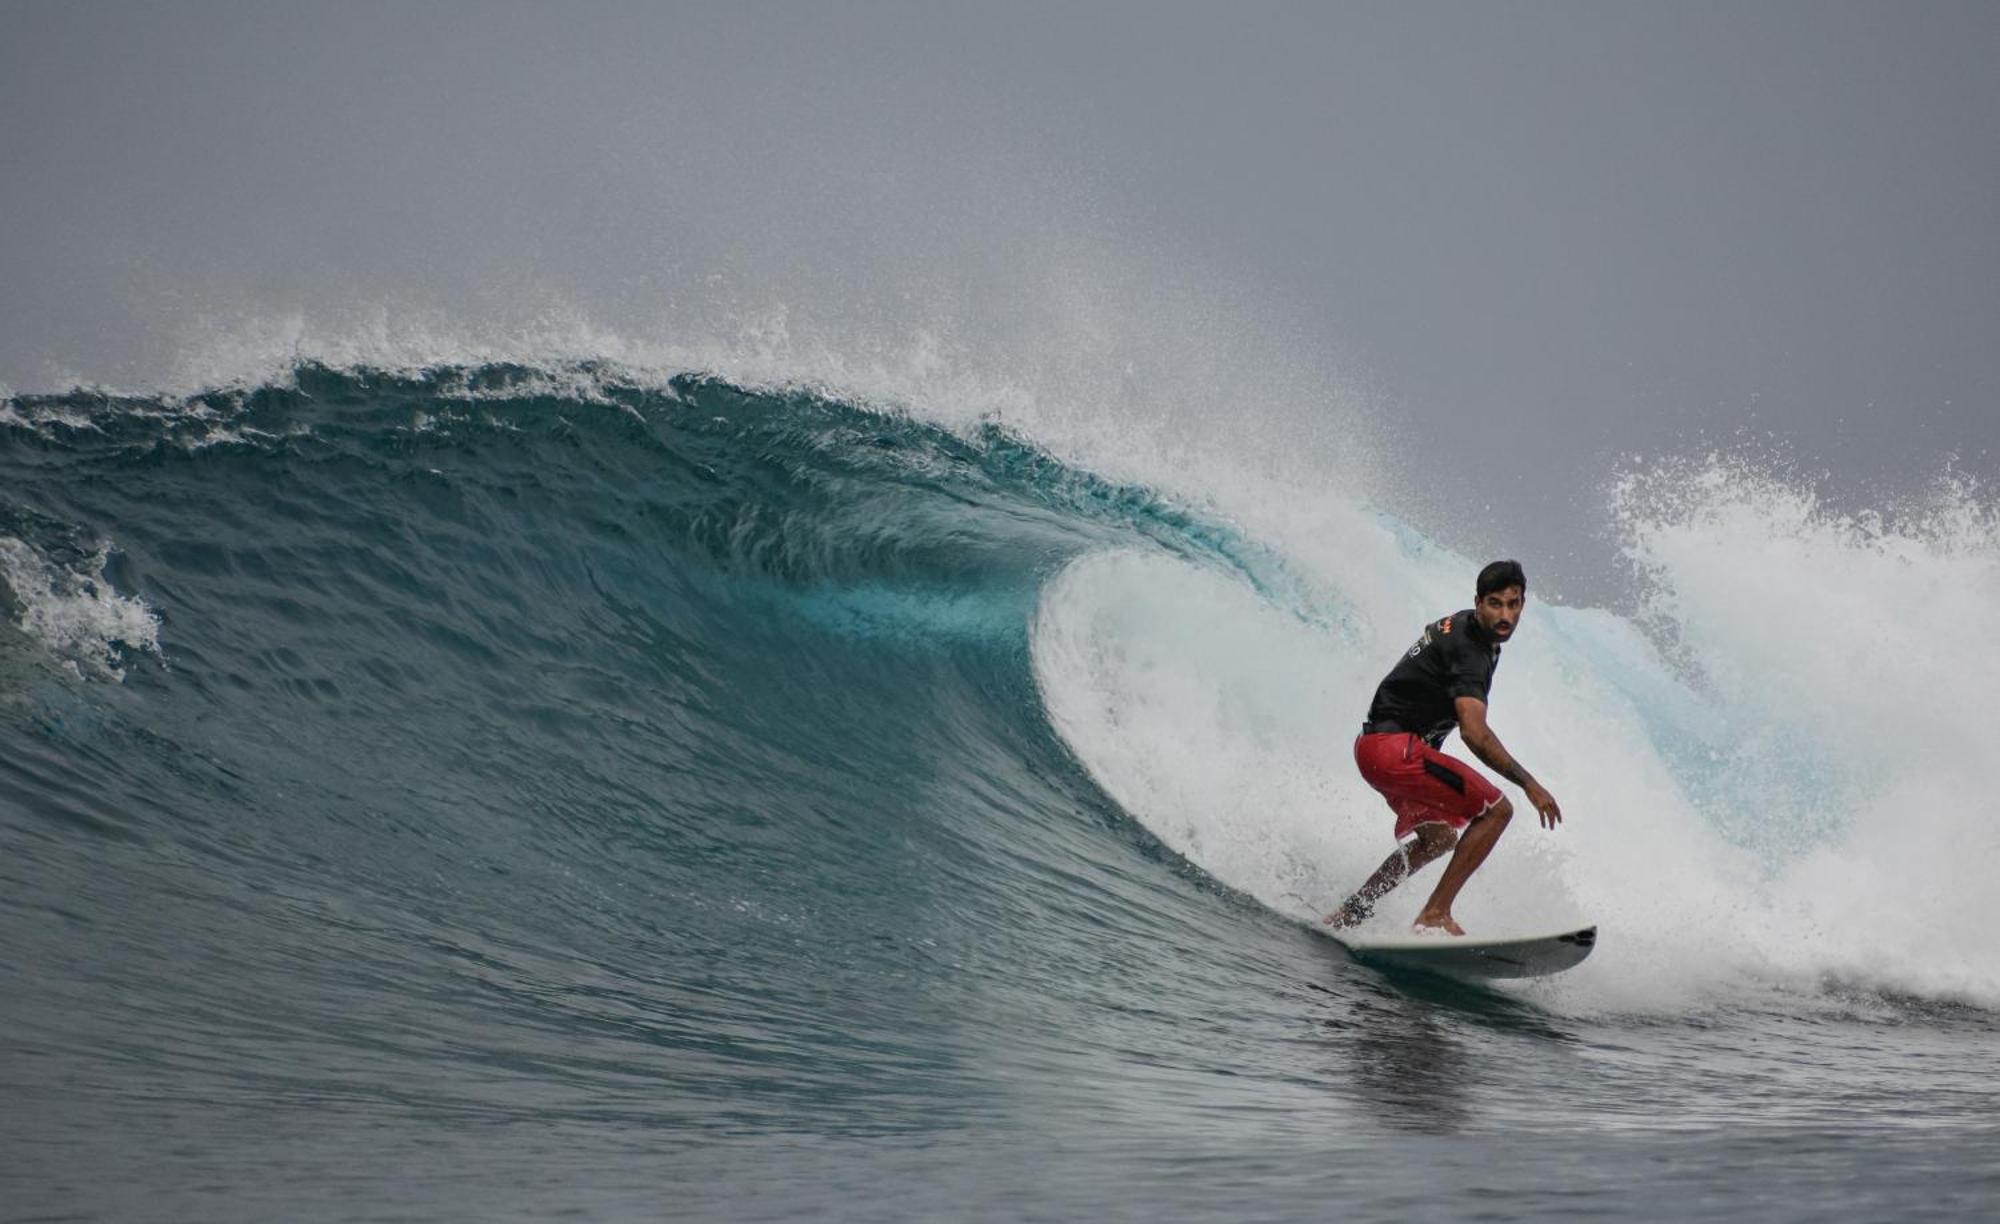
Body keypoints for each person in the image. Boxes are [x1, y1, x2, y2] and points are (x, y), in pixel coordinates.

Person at [1326, 560, 1562, 935]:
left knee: (1437, 839)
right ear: (1478, 602)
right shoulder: (1470, 649)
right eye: (1495, 604)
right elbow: (1474, 733)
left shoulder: (1467, 628)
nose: (1505, 615)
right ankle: (1436, 912)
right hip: (1394, 750)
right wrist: (1530, 784)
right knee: (1497, 811)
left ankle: (1352, 912)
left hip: (1372, 749)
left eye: (1513, 604)